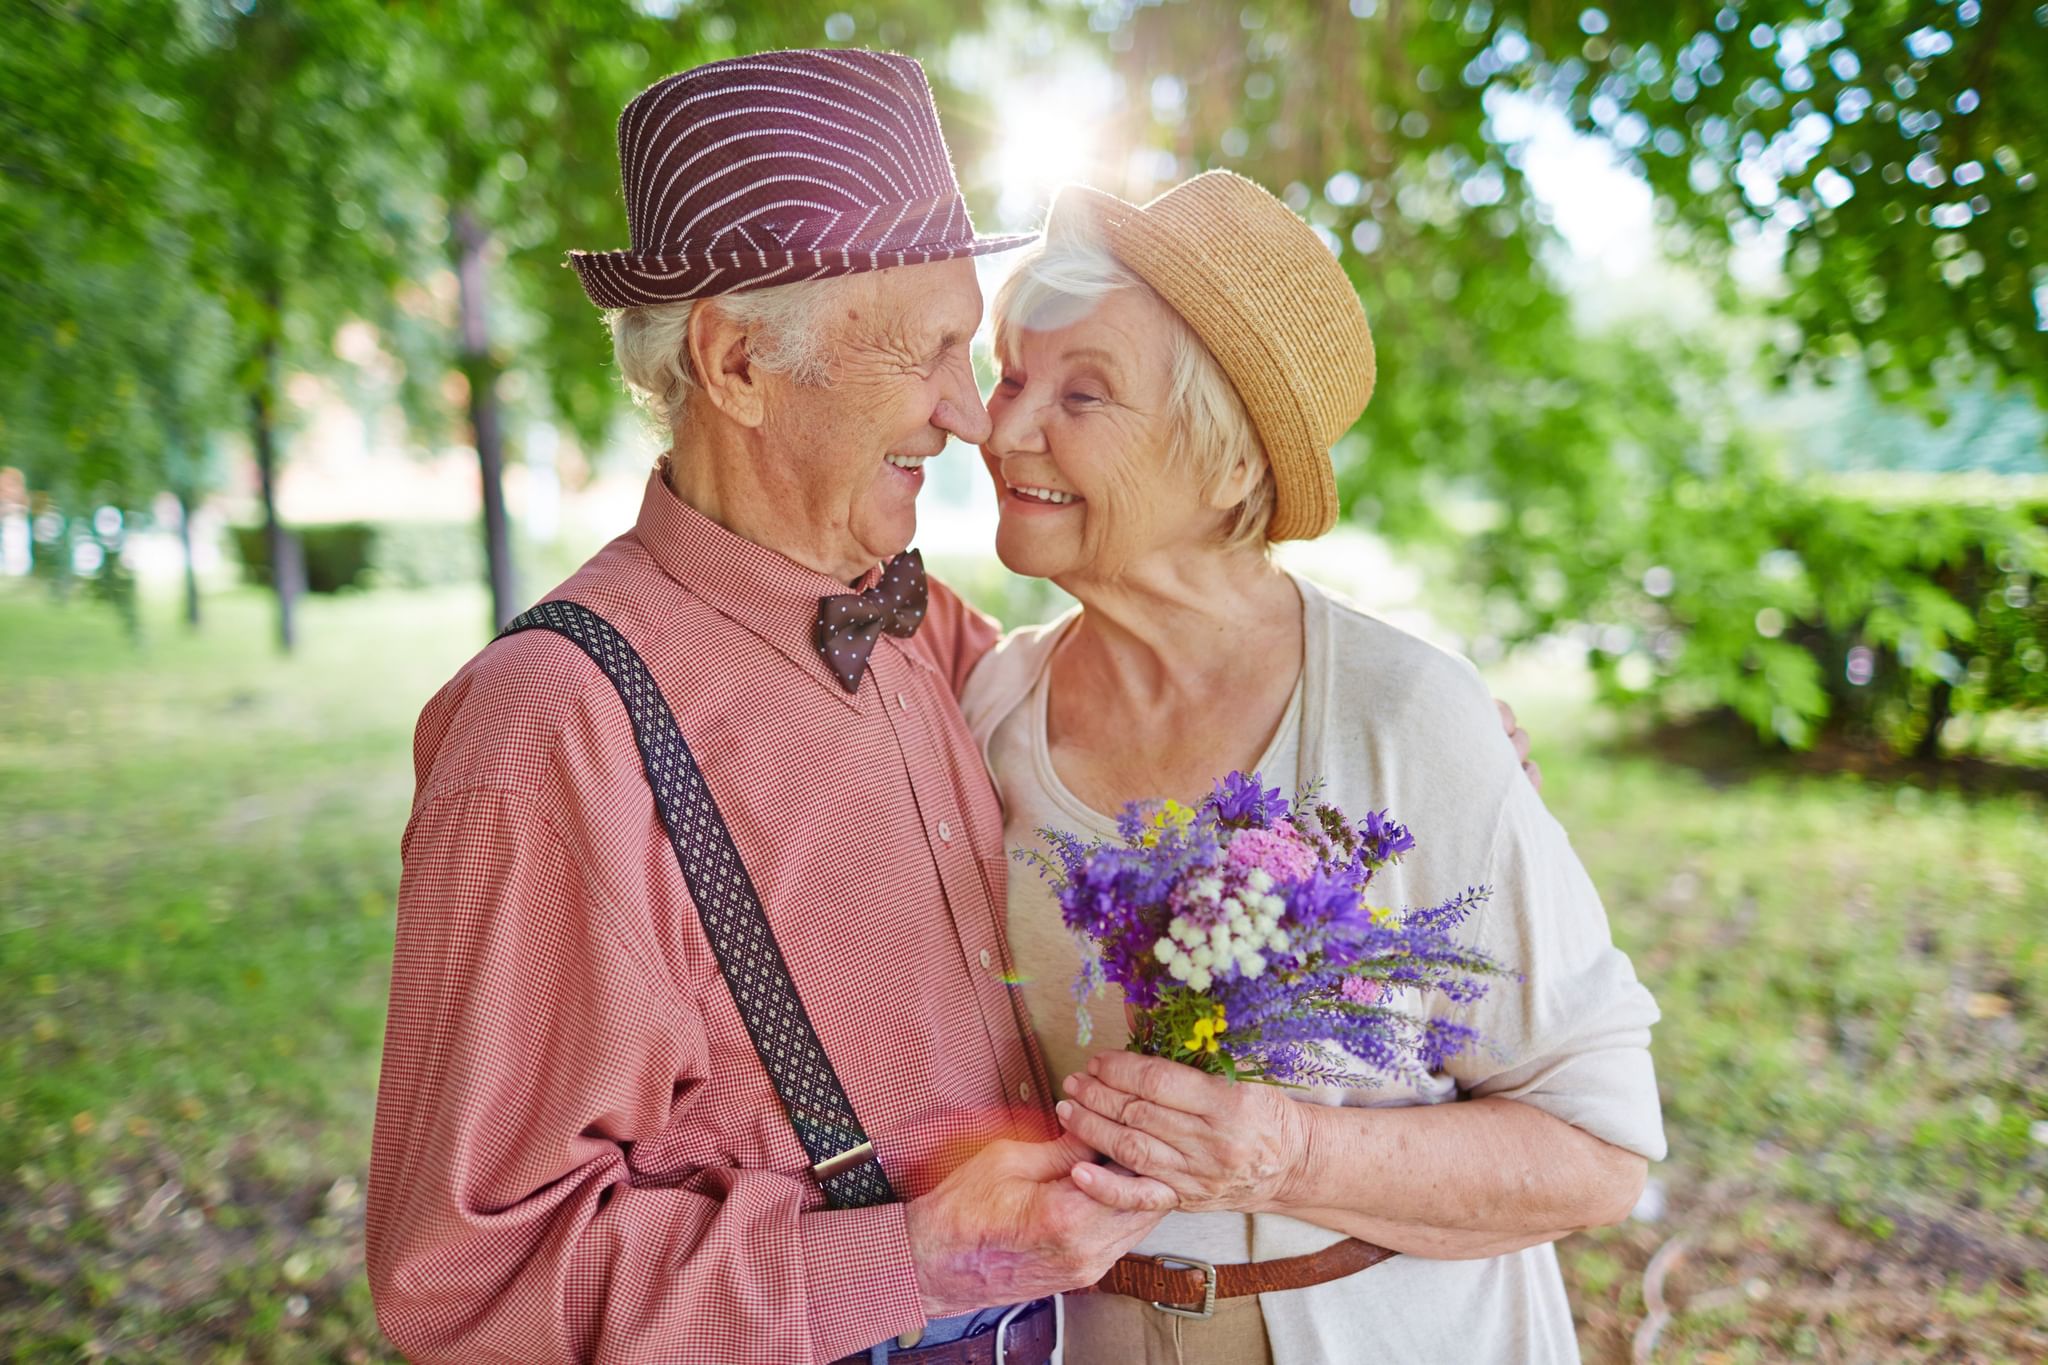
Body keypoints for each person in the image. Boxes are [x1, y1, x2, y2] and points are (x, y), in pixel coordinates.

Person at [365, 50, 1184, 1365]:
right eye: (927, 351)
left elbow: (1135, 705)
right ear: (738, 360)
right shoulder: (549, 729)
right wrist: (908, 1260)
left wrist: (1361, 724)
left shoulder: (922, 623)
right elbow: (468, 1284)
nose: (974, 415)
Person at [957, 171, 1667, 1364]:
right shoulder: (988, 707)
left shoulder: (1402, 716)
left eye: (1083, 394)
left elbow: (1597, 1150)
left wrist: (1290, 1152)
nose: (1001, 426)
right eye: (1013, 374)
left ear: (1227, 464)